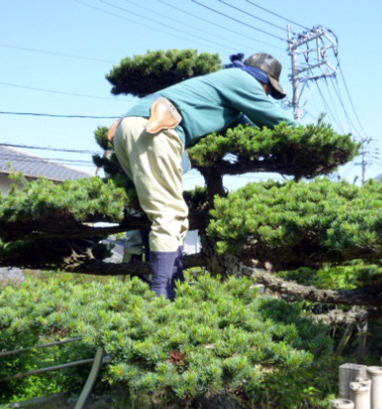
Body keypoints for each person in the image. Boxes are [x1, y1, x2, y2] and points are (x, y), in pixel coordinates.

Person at [109, 52, 296, 300]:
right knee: (170, 214)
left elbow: (249, 124)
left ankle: (142, 285)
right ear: (263, 80)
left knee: (149, 211)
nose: (266, 96)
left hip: (129, 128)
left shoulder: (222, 88)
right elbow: (279, 121)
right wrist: (313, 143)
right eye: (268, 91)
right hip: (158, 130)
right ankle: (163, 297)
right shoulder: (243, 80)